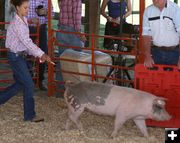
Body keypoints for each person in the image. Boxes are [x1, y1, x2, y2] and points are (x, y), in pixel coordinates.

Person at [0, 0, 52, 122]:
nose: (28, 10)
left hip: (19, 55)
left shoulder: (23, 20)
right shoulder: (18, 24)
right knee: (28, 84)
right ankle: (29, 116)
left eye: (28, 8)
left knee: (20, 83)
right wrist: (41, 54)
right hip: (16, 57)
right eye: (25, 8)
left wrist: (37, 54)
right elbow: (27, 43)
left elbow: (25, 44)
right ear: (17, 8)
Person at [55, 0, 86, 94]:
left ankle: (60, 87)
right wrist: (80, 34)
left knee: (62, 59)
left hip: (61, 29)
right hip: (72, 31)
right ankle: (77, 87)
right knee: (77, 60)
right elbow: (76, 18)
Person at [143, 0, 180, 68]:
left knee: (174, 78)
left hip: (175, 53)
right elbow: (146, 34)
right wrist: (147, 56)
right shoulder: (148, 11)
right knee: (155, 78)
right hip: (156, 53)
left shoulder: (176, 10)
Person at [27, 0, 51, 90]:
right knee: (27, 53)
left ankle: (40, 80)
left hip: (41, 27)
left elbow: (51, 14)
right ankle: (28, 79)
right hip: (28, 27)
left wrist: (46, 13)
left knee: (43, 52)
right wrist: (29, 20)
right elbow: (18, 14)